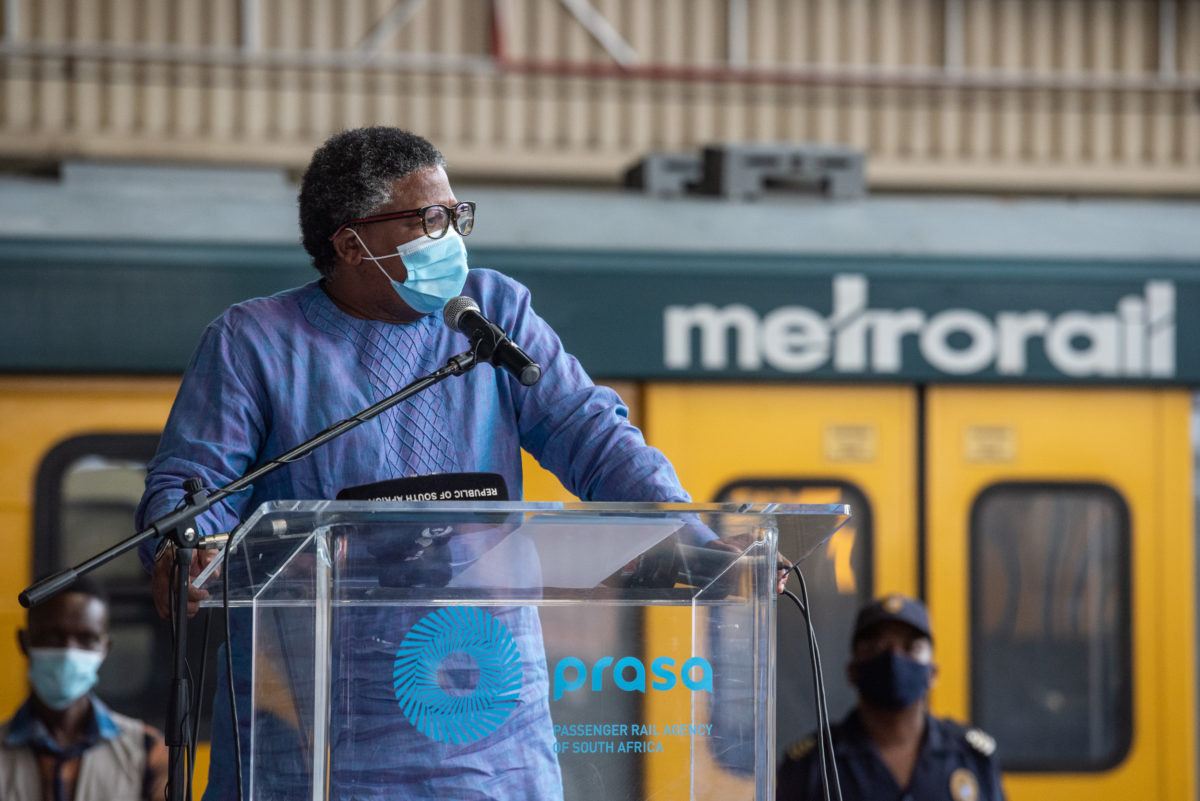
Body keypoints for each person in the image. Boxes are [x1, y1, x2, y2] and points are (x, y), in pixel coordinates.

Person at [134, 126, 694, 800]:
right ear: (350, 243)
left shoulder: (492, 315)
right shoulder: (255, 341)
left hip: (486, 735)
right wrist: (188, 547)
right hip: (314, 738)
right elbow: (189, 489)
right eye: (429, 219)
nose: (451, 236)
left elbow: (591, 433)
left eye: (456, 215)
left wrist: (692, 532)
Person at [777, 594, 1006, 801]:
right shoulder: (812, 765)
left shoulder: (972, 758)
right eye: (876, 647)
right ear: (852, 672)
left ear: (932, 673)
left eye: (911, 647)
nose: (894, 659)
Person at [0, 577, 169, 801]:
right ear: (25, 642)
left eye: (86, 638)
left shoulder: (148, 750)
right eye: (53, 636)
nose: (68, 652)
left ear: (105, 648)